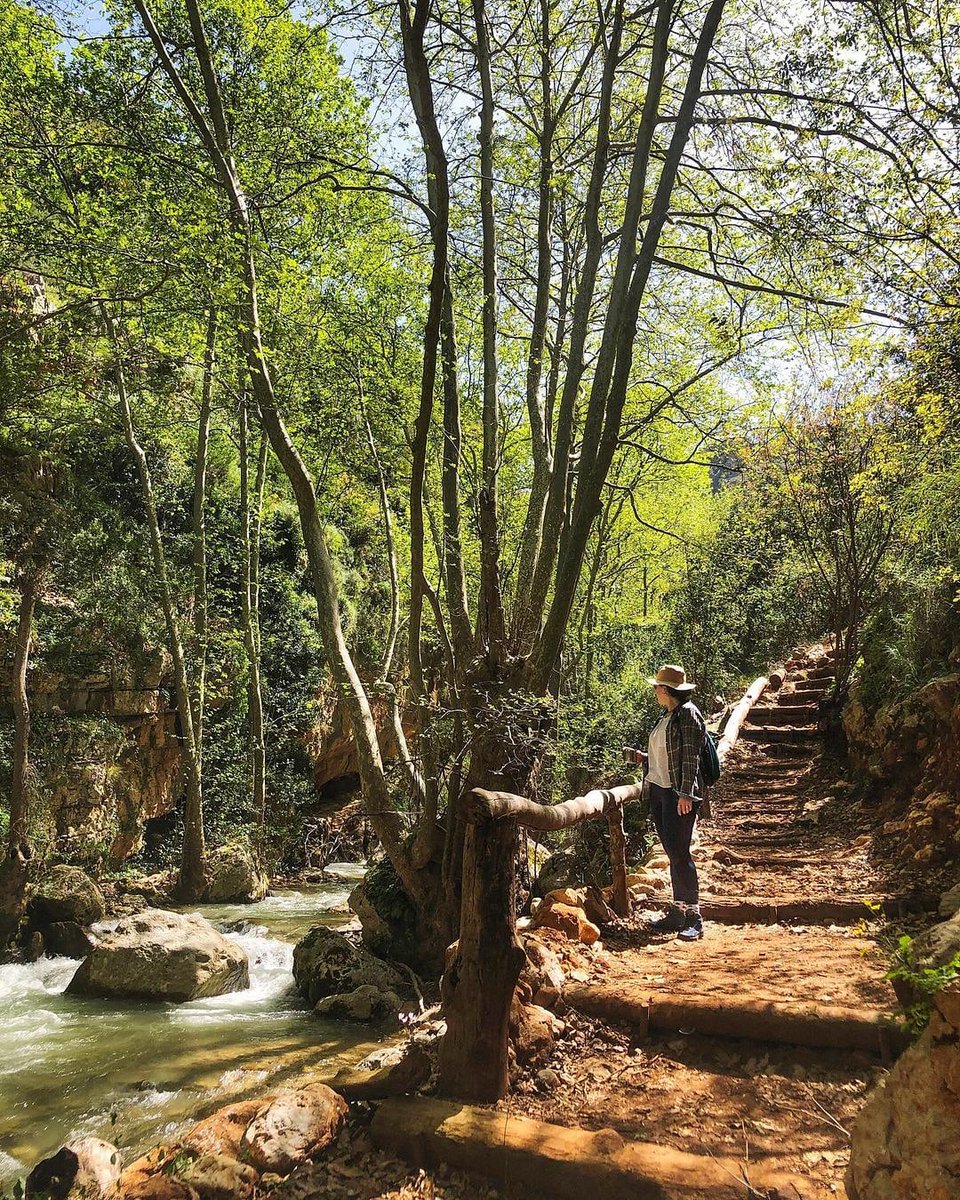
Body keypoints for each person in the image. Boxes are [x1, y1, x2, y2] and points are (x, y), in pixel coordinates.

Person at [643, 664, 707, 941]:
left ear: (667, 690)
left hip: (677, 793)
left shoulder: (688, 715)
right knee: (672, 852)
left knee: (680, 852)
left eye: (657, 687)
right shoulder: (667, 717)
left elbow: (691, 757)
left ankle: (694, 916)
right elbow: (665, 755)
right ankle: (678, 912)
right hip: (660, 790)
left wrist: (685, 794)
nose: (655, 691)